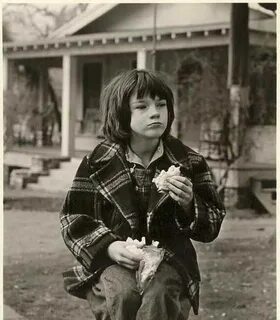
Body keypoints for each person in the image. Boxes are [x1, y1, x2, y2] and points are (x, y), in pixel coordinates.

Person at [60, 69, 226, 320]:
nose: (155, 112)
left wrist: (190, 204)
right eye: (142, 106)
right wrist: (110, 247)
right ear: (121, 113)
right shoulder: (98, 162)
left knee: (159, 294)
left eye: (161, 105)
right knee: (123, 293)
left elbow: (212, 222)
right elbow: (73, 218)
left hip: (170, 259)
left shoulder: (189, 162)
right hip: (116, 259)